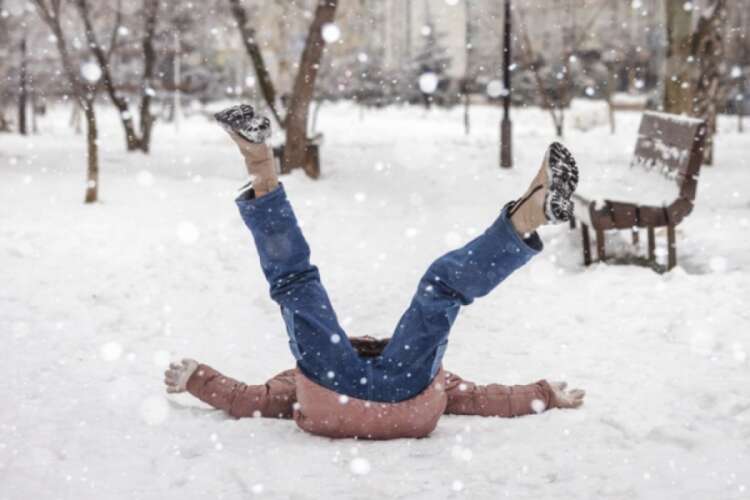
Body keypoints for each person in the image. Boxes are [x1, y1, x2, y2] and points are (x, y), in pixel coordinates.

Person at [165, 104, 585, 440]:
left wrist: (197, 379)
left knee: (434, 289)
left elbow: (247, 401)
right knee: (298, 282)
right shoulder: (419, 370)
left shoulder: (299, 380)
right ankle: (528, 215)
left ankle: (259, 161)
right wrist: (543, 394)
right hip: (408, 403)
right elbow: (483, 399)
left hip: (335, 399)